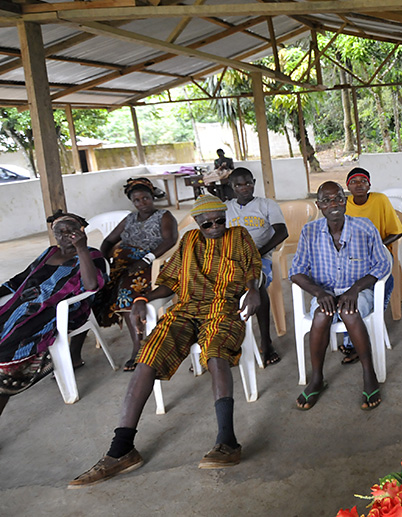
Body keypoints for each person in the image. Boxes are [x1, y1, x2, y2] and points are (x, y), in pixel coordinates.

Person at [69, 195, 261, 487]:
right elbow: (170, 281)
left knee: (216, 353)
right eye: (207, 222)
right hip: (185, 309)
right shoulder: (189, 241)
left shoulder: (239, 236)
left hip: (223, 307)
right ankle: (121, 450)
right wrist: (143, 297)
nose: (214, 227)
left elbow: (252, 270)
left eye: (220, 220)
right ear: (197, 222)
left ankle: (227, 441)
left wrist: (254, 289)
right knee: (148, 356)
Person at [289, 182, 391, 411]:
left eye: (337, 199)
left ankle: (369, 373)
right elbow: (296, 271)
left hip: (358, 289)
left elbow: (382, 264)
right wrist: (319, 292)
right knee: (321, 315)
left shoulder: (364, 227)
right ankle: (317, 378)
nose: (333, 204)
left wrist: (355, 289)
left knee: (349, 311)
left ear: (345, 201)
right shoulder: (310, 232)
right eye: (326, 200)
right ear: (319, 206)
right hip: (325, 291)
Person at [0, 211, 106, 418]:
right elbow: (22, 278)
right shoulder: (49, 253)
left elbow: (92, 285)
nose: (65, 235)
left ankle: (7, 379)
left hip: (56, 312)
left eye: (71, 230)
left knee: (7, 348)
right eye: (60, 231)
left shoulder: (93, 255)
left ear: (81, 232)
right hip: (21, 306)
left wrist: (81, 248)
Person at [93, 178, 178, 371]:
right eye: (137, 200)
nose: (142, 203)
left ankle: (138, 346)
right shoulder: (130, 219)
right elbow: (108, 241)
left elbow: (170, 240)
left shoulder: (164, 216)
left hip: (151, 263)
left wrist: (145, 260)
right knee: (98, 287)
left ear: (152, 197)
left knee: (126, 290)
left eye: (145, 198)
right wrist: (104, 259)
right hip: (124, 263)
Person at [225, 167, 287, 366]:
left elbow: (282, 232)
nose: (244, 188)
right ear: (231, 187)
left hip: (261, 258)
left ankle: (266, 341)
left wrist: (258, 253)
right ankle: (225, 342)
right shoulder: (227, 208)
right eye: (239, 185)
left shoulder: (266, 205)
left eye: (248, 183)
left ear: (254, 182)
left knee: (257, 286)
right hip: (234, 260)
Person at [342, 167, 402, 364]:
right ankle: (358, 334)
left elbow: (397, 231)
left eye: (363, 181)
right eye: (354, 181)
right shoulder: (343, 204)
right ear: (347, 186)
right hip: (351, 257)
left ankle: (358, 334)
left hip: (380, 252)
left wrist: (377, 246)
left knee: (384, 283)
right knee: (352, 286)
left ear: (369, 184)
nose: (359, 185)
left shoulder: (380, 200)